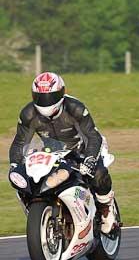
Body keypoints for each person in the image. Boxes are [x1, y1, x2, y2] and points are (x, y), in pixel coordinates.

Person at [8, 72, 118, 233]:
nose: (45, 102)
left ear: (61, 94)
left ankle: (106, 210)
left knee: (98, 173)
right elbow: (19, 142)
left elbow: (92, 136)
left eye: (50, 97)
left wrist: (89, 159)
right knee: (27, 181)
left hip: (84, 149)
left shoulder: (75, 108)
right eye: (40, 97)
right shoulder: (28, 113)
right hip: (53, 152)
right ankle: (39, 214)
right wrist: (14, 164)